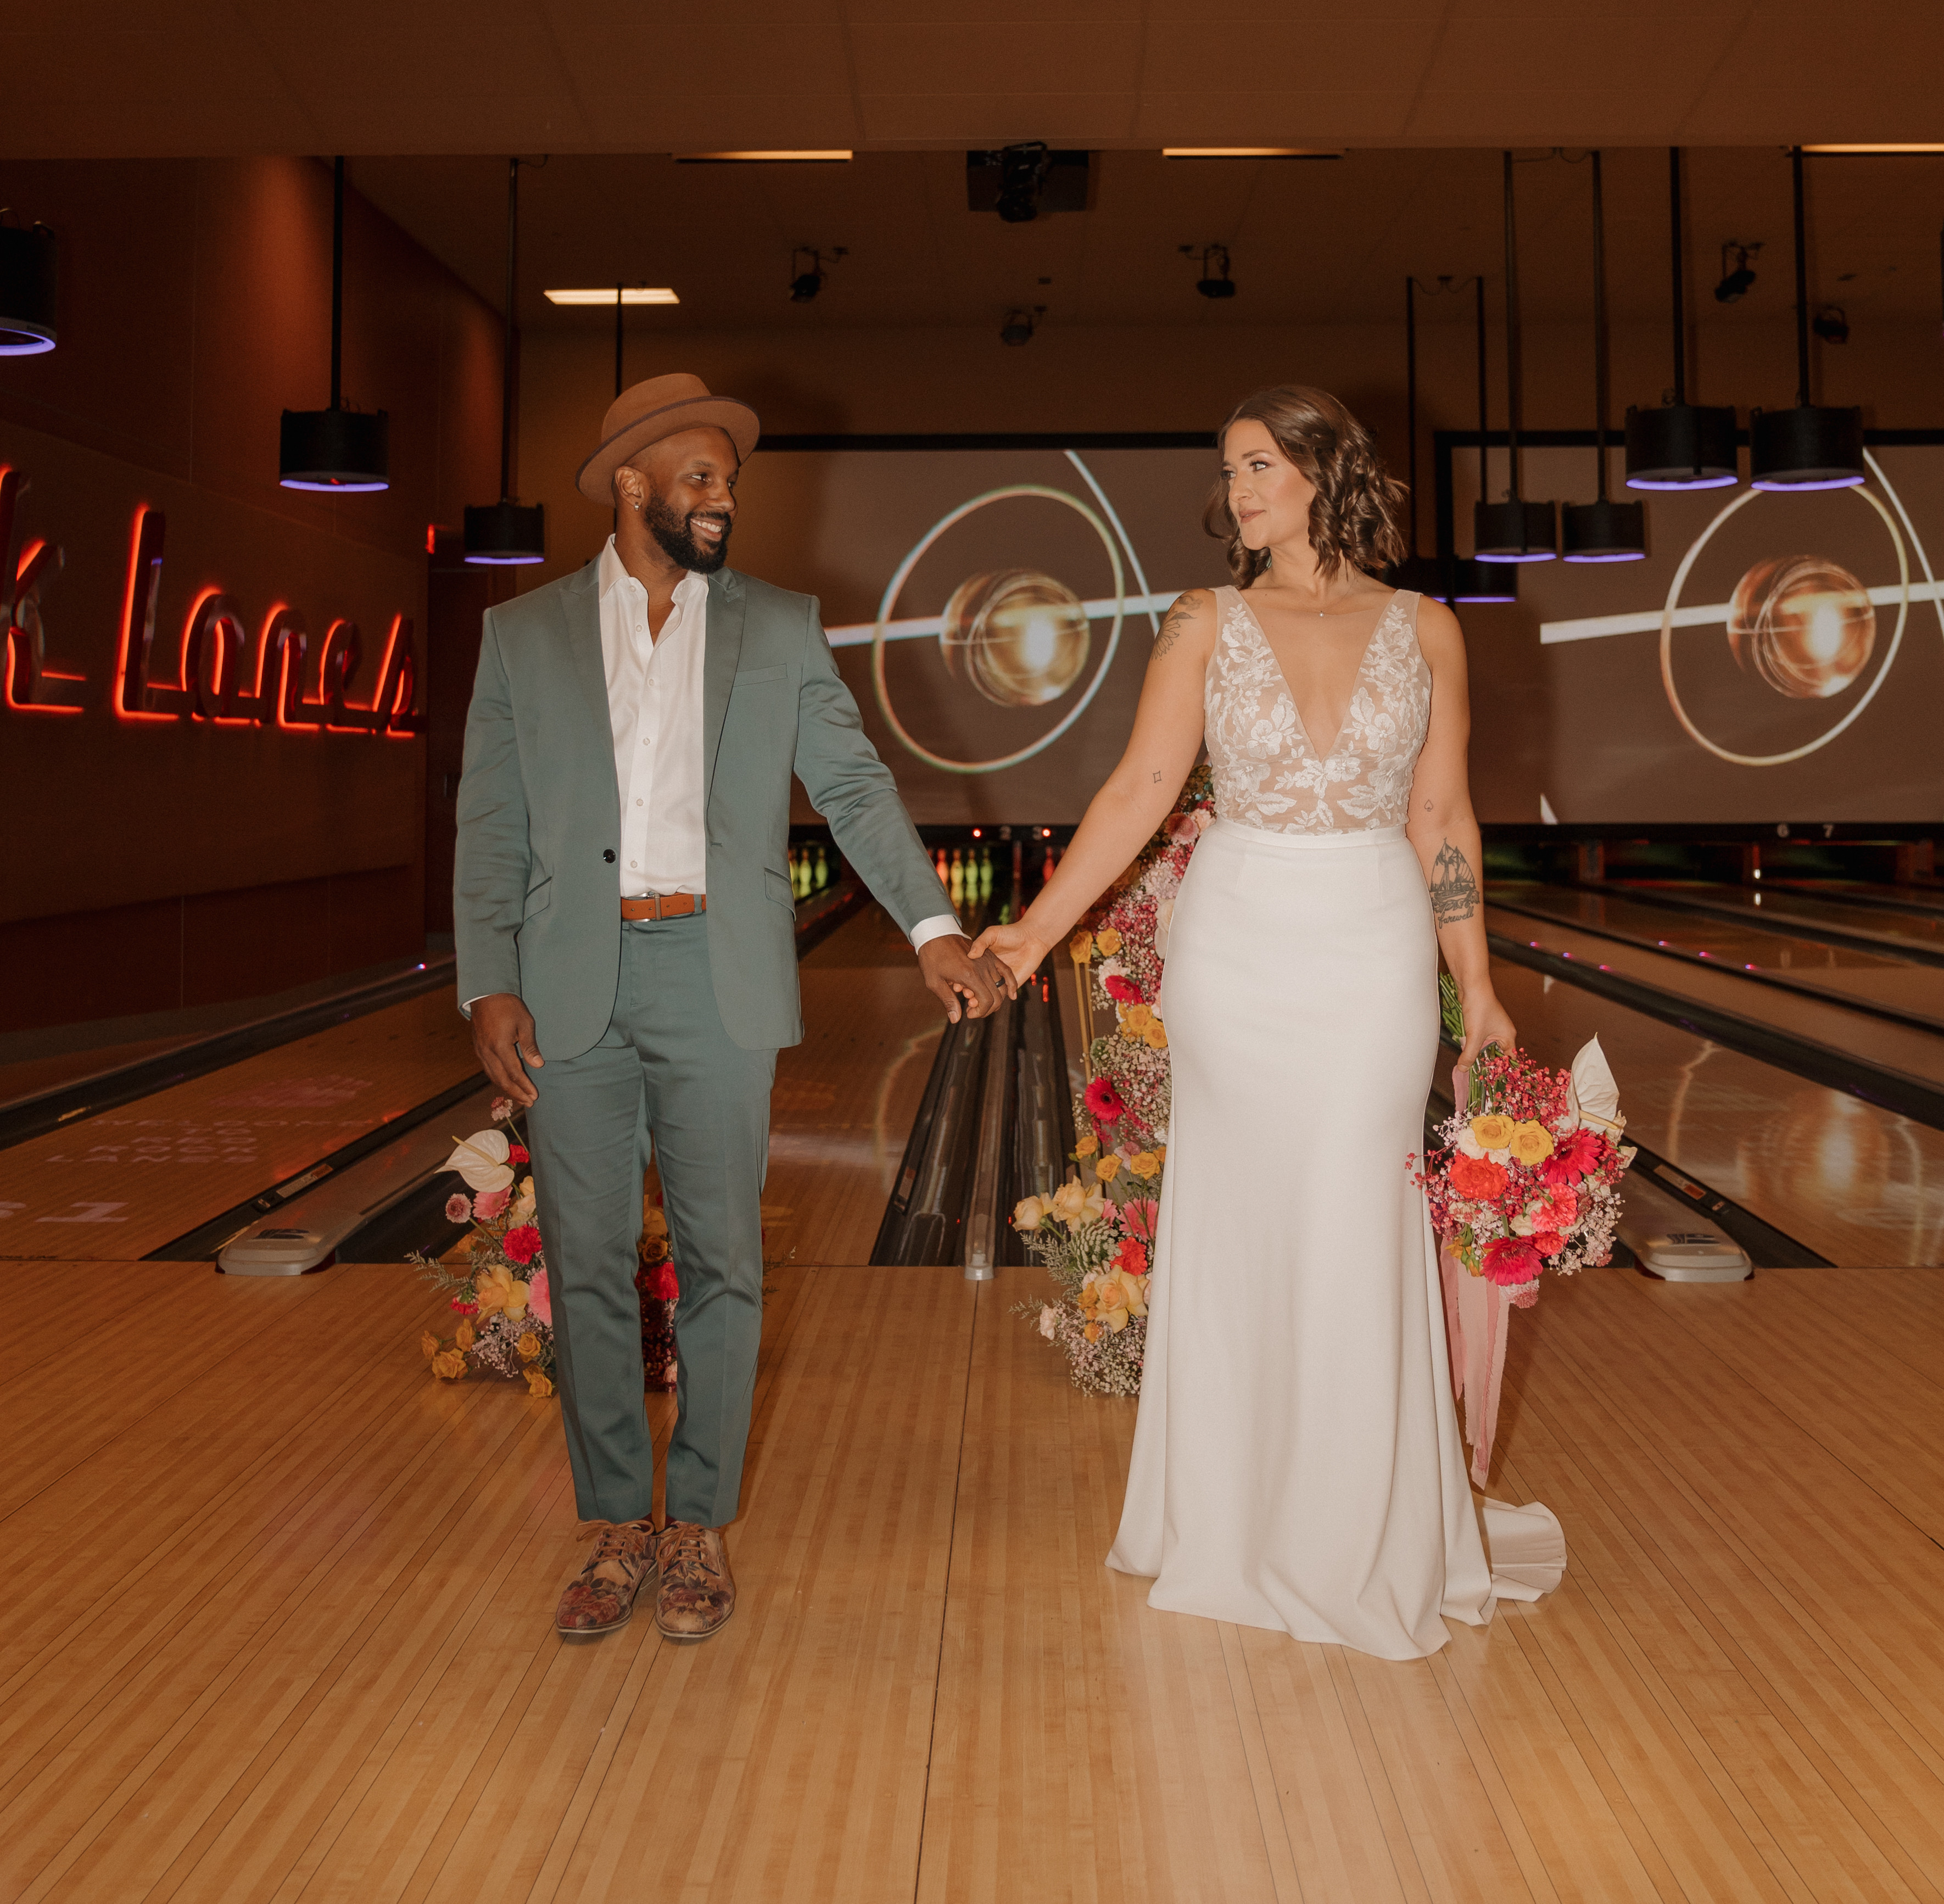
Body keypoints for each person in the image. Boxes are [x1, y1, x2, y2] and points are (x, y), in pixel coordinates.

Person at [974, 384, 1558, 1660]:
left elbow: (1440, 816)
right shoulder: (1203, 620)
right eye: (1227, 468)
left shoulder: (1425, 628)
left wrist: (1481, 989)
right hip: (1235, 944)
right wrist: (1031, 928)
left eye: (1255, 464)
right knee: (1240, 1223)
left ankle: (1358, 1529)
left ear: (1319, 469)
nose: (1235, 490)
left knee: (1356, 1215)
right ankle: (1225, 1521)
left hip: (1370, 945)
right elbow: (1138, 788)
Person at [455, 370, 1009, 1650]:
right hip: (570, 982)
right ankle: (614, 1523)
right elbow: (491, 822)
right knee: (586, 1266)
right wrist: (488, 978)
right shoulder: (525, 634)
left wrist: (931, 925)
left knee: (721, 1264)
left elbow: (855, 785)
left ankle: (694, 1518)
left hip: (716, 973)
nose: (722, 500)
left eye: (730, 483)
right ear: (634, 484)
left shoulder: (775, 622)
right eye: (699, 478)